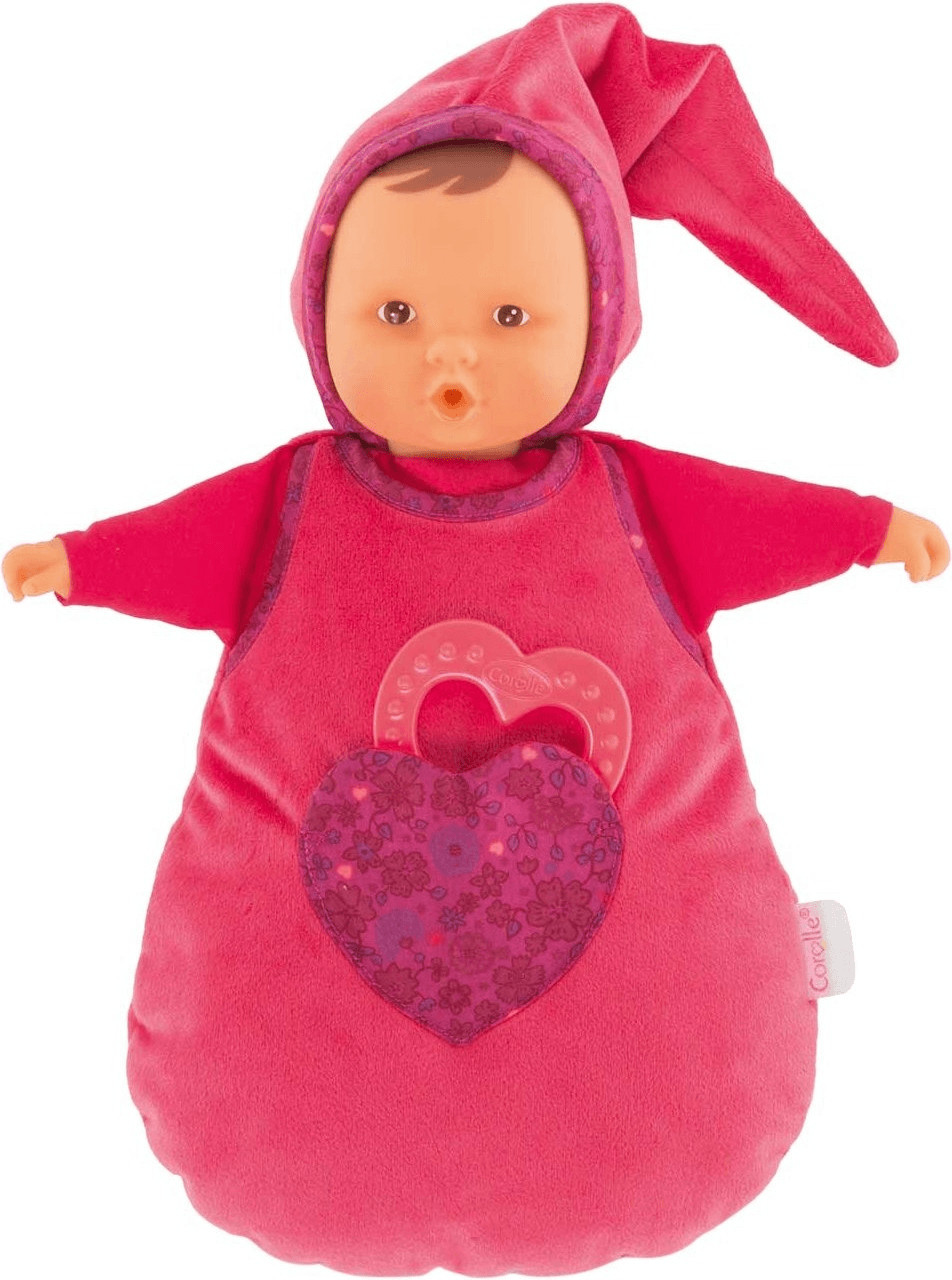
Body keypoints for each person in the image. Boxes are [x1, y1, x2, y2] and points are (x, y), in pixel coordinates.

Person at [2, 5, 948, 1272]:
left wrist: (865, 528)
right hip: (288, 1096)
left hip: (654, 1095)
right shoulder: (290, 499)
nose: (449, 356)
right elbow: (171, 544)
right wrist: (81, 562)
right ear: (320, 311)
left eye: (510, 318)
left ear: (599, 320)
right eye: (395, 311)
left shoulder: (635, 497)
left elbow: (768, 517)